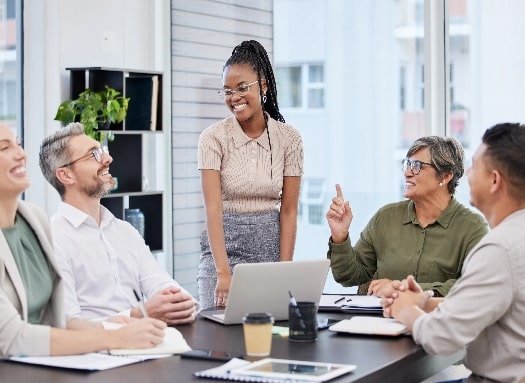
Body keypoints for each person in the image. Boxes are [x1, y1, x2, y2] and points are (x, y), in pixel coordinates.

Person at [0, 123, 166, 357]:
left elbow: (57, 318)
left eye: (18, 144)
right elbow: (10, 337)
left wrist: (122, 324)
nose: (21, 154)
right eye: (4, 148)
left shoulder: (33, 220)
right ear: (64, 174)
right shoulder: (57, 231)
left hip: (47, 359)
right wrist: (114, 336)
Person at [381, 122, 525, 383]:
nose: (467, 174)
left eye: (474, 166)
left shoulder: (499, 249)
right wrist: (425, 302)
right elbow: (494, 305)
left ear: (494, 180)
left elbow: (440, 337)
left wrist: (404, 309)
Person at [38, 123, 199, 326]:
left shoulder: (125, 230)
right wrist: (139, 315)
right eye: (93, 154)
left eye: (102, 151)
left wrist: (180, 302)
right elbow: (68, 324)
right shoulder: (53, 239)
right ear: (65, 175)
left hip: (149, 339)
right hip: (97, 352)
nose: (108, 159)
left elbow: (160, 282)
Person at [197, 40, 304, 308]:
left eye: (242, 88)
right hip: (223, 257)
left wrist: (284, 270)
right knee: (218, 343)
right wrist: (223, 272)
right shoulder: (213, 138)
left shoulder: (289, 139)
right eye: (227, 91)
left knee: (270, 340)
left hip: (270, 255)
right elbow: (213, 209)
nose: (234, 97)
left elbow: (289, 211)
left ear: (263, 85)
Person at [326, 136, 488, 297]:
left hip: (435, 320)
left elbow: (473, 285)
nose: (408, 173)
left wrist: (403, 289)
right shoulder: (385, 217)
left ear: (446, 176)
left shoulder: (473, 227)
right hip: (380, 320)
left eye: (417, 166)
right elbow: (348, 276)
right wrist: (340, 237)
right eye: (408, 164)